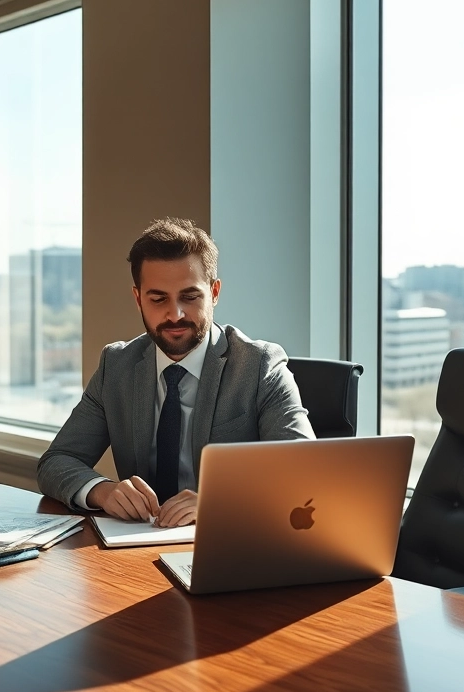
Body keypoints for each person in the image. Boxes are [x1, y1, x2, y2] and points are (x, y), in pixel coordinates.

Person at [37, 217, 314, 527]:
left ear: (214, 292)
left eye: (190, 297)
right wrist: (104, 491)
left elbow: (303, 472)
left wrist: (219, 501)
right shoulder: (116, 366)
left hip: (231, 544)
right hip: (136, 549)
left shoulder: (259, 367)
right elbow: (56, 462)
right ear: (138, 298)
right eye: (158, 299)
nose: (175, 314)